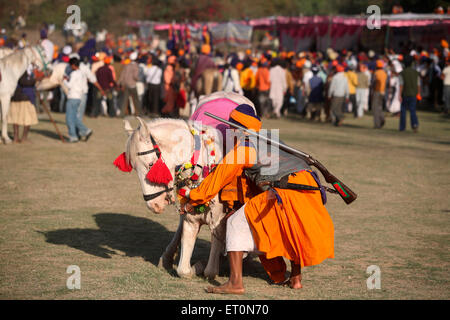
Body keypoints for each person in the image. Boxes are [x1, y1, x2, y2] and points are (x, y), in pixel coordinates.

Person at [179, 104, 334, 294]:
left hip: (288, 189)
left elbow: (216, 180)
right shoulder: (272, 139)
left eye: (232, 128)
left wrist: (191, 199)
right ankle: (296, 279)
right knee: (291, 229)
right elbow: (266, 180)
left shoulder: (243, 149)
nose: (230, 132)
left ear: (238, 129)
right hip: (308, 185)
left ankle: (235, 283)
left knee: (234, 221)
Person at [8, 66, 41, 143]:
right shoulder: (20, 70)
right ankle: (23, 138)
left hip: (17, 97)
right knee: (27, 118)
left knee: (16, 118)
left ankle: (17, 138)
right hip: (23, 97)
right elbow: (24, 82)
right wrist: (36, 80)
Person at [64, 57, 93, 143]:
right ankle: (85, 131)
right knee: (74, 118)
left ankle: (74, 136)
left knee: (69, 119)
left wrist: (64, 80)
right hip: (78, 97)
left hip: (72, 97)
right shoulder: (81, 73)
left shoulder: (74, 74)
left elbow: (69, 85)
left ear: (73, 65)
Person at [399, 55, 421, 132]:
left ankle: (402, 127)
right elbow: (418, 85)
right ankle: (415, 124)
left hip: (405, 94)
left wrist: (399, 95)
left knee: (403, 111)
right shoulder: (416, 73)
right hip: (414, 94)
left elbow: (401, 85)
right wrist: (418, 93)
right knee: (413, 110)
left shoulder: (402, 73)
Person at [119, 51, 142, 116]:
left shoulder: (127, 65)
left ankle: (122, 114)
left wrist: (121, 83)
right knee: (136, 100)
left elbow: (122, 75)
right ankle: (139, 113)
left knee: (124, 100)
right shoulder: (136, 66)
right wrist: (139, 79)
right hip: (132, 85)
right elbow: (135, 76)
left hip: (126, 84)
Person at [371, 60, 387, 129]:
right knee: (380, 106)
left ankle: (377, 124)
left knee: (375, 108)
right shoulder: (384, 73)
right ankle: (382, 118)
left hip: (377, 91)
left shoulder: (376, 73)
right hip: (383, 91)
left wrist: (372, 90)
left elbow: (374, 82)